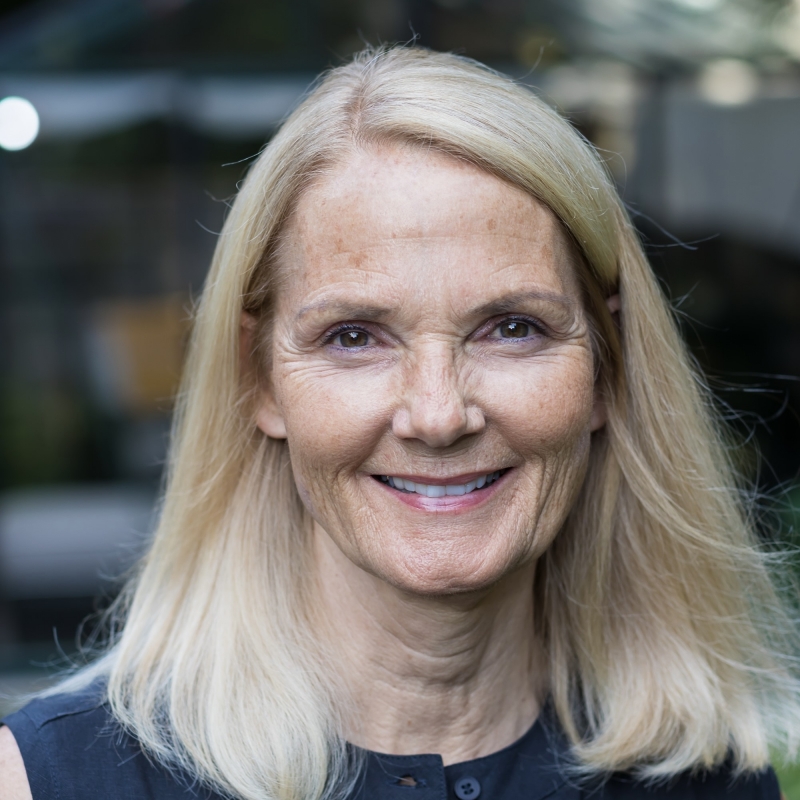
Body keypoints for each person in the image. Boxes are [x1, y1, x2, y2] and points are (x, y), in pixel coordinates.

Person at [0, 46, 797, 800]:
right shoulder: (47, 783)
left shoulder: (710, 775)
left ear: (608, 366)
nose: (439, 415)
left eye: (512, 327)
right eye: (354, 337)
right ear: (259, 380)